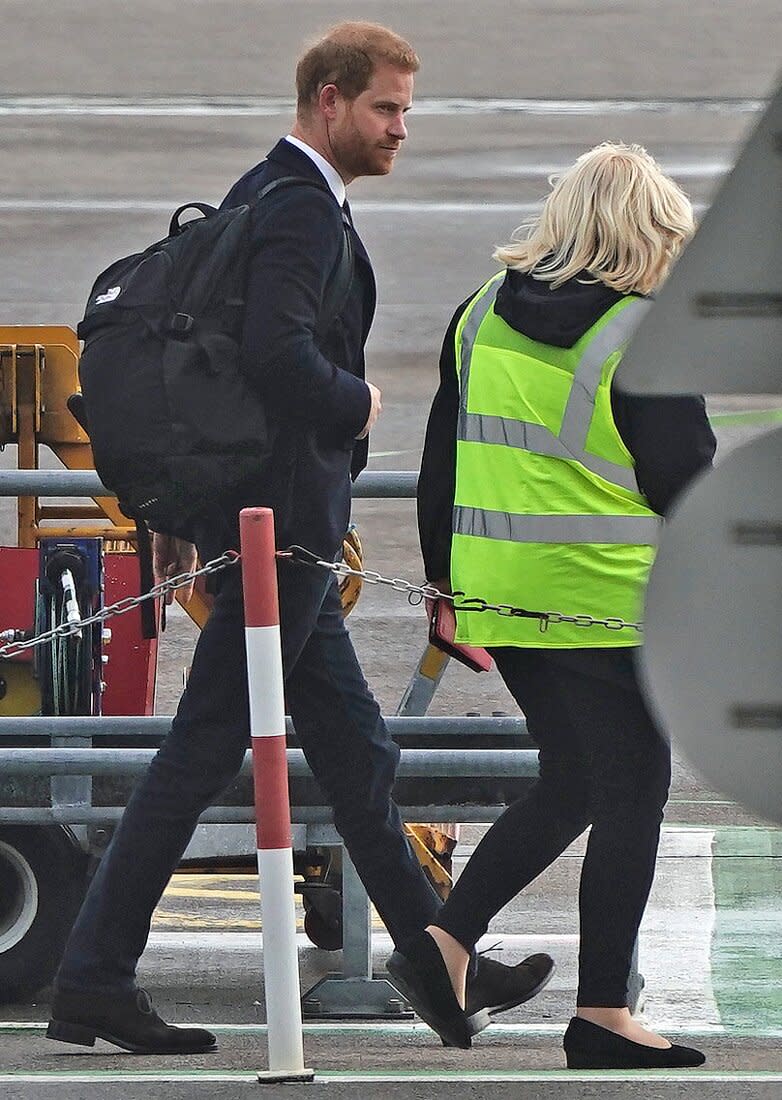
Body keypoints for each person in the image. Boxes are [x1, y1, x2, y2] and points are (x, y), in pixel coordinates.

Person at [47, 22, 552, 1055]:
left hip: (280, 535)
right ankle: (92, 977)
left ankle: (437, 962)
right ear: (328, 100)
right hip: (281, 536)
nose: (400, 128)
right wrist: (355, 401)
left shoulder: (268, 195)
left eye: (405, 109)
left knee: (358, 754)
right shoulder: (298, 214)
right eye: (385, 108)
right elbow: (277, 359)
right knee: (196, 756)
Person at [388, 143, 717, 1066]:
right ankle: (603, 1011)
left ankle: (443, 949)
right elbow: (685, 482)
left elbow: (441, 463)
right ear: (649, 233)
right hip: (607, 604)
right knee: (634, 792)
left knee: (575, 778)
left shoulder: (480, 312)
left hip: (504, 595)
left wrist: (444, 589)